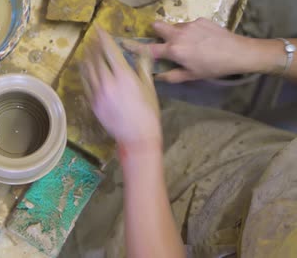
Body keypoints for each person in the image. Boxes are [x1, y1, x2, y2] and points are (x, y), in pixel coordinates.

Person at [69, 18, 297, 258]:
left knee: (81, 216)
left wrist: (140, 148)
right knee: (132, 114)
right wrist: (254, 52)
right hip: (246, 157)